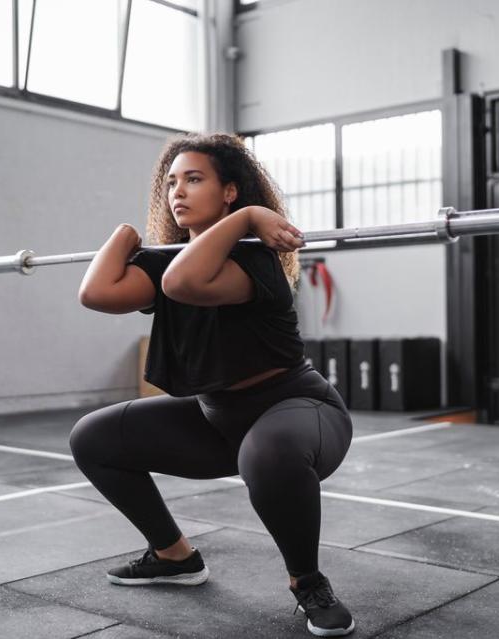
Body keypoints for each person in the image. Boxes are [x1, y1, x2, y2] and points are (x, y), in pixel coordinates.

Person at [70, 132, 355, 637]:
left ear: (230, 190)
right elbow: (96, 293)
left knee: (266, 455)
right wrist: (122, 235)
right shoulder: (165, 261)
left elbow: (185, 283)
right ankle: (174, 556)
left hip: (298, 411)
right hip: (219, 421)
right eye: (171, 182)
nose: (177, 191)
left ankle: (307, 581)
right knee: (92, 438)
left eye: (194, 179)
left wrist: (246, 221)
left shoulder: (255, 259)